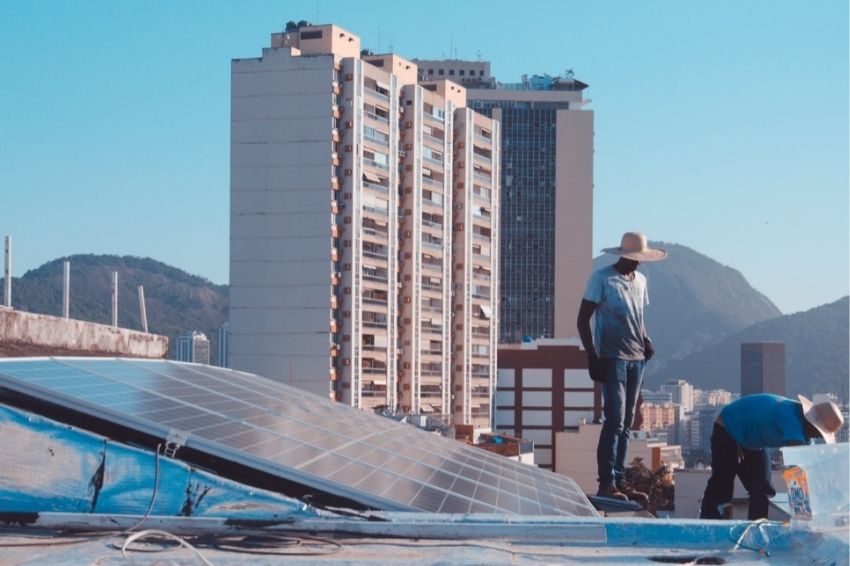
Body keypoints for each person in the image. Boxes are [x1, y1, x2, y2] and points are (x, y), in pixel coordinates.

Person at [577, 231, 667, 501]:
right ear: (623, 256)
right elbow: (583, 320)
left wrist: (646, 340)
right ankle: (607, 482)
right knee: (614, 420)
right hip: (611, 357)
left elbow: (637, 316)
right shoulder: (602, 279)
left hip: (637, 359)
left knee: (627, 423)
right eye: (634, 258)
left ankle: (620, 480)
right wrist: (592, 356)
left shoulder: (640, 281)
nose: (638, 263)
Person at [700, 393, 844, 520]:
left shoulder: (806, 431)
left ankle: (756, 529)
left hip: (752, 439)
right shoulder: (791, 418)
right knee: (722, 483)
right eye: (819, 432)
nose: (818, 436)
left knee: (762, 489)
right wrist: (804, 513)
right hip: (728, 428)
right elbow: (797, 469)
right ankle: (708, 525)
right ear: (812, 423)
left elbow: (811, 464)